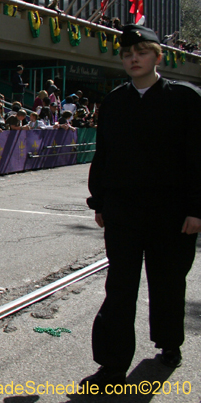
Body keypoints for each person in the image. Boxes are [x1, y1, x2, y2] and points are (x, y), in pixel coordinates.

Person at [81, 25, 201, 392]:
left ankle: (169, 343)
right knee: (119, 288)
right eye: (127, 54)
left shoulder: (186, 98)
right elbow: (104, 156)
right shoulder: (115, 101)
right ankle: (112, 366)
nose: (134, 59)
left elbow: (199, 157)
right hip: (123, 211)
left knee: (167, 283)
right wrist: (98, 200)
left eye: (142, 52)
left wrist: (197, 209)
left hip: (173, 213)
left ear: (157, 57)